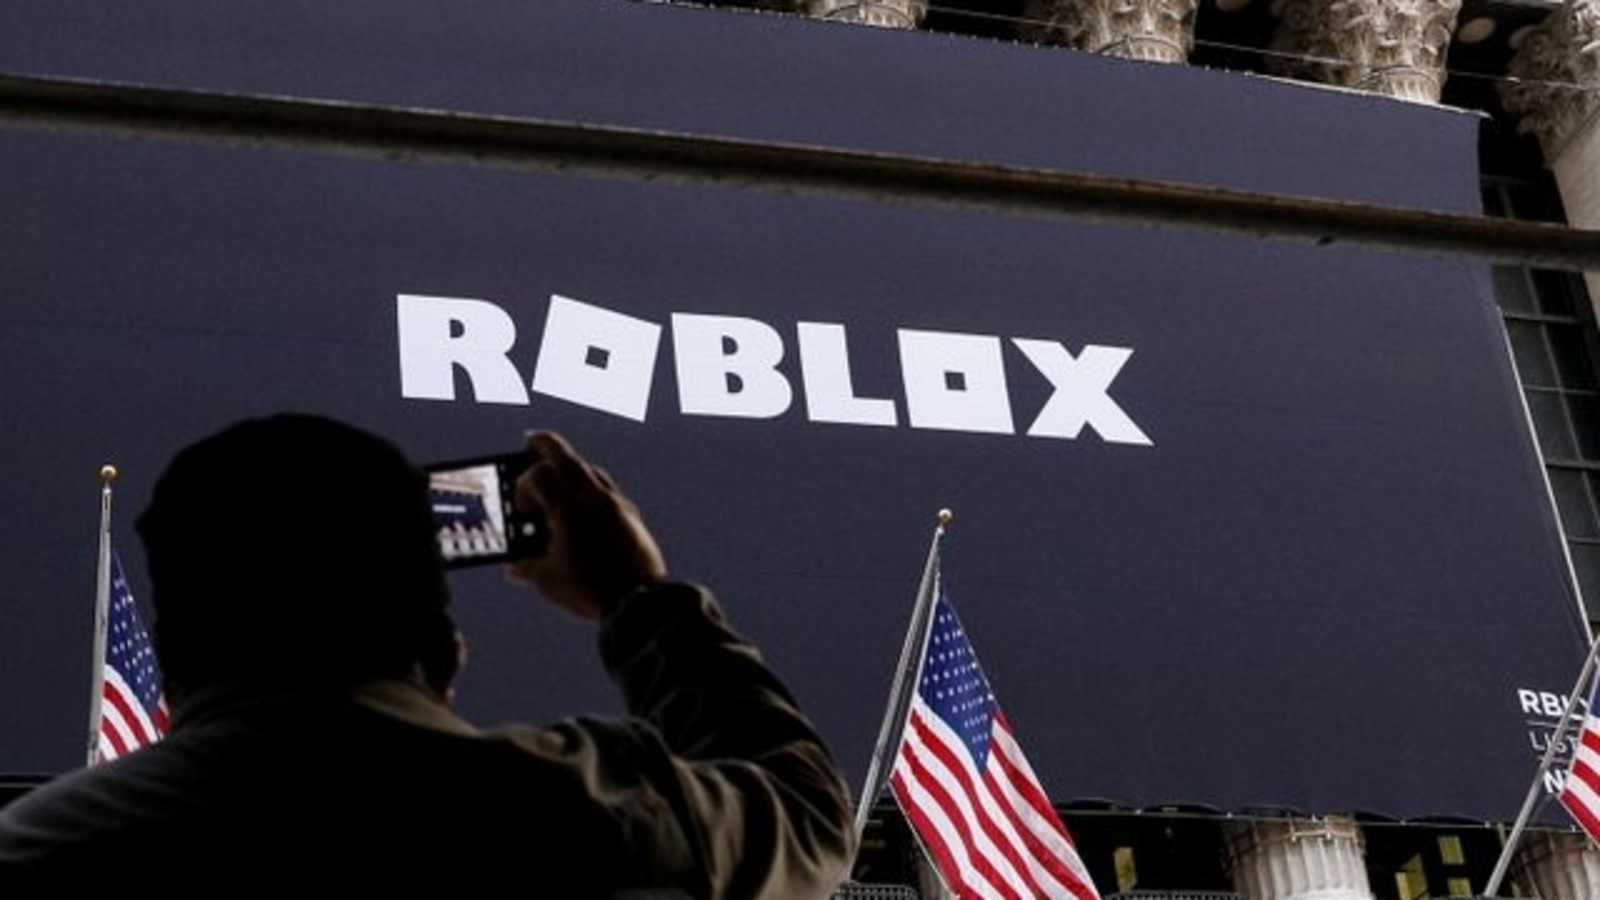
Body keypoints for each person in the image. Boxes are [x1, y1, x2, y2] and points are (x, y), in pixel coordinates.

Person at [0, 413, 855, 895]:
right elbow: (809, 817)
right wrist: (638, 598)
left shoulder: (35, 847)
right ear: (446, 656)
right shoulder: (594, 811)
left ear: (174, 662)